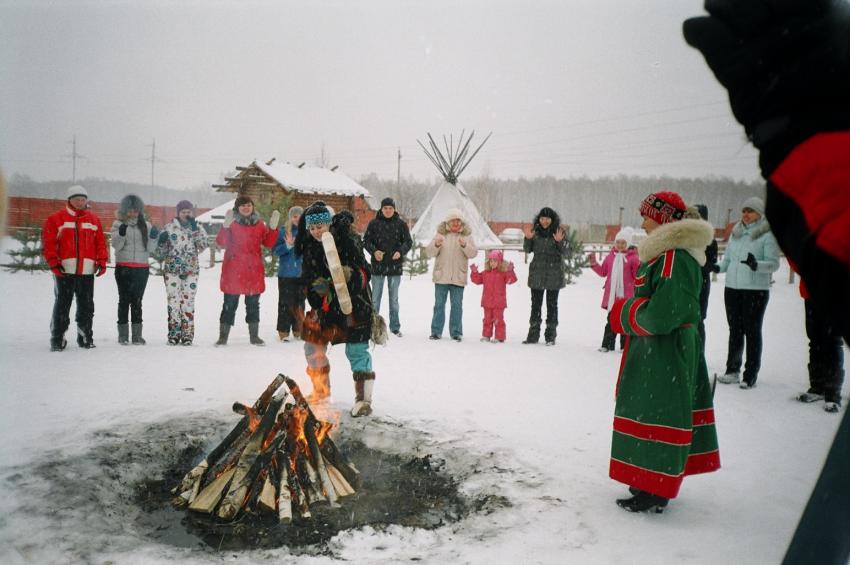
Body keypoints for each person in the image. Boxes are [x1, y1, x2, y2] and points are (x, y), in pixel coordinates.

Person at [607, 190, 720, 513]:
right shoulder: (665, 254)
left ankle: (656, 487)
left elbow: (665, 312)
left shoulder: (674, 257)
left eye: (646, 215)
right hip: (655, 349)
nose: (642, 222)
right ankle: (645, 479)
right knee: (649, 408)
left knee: (660, 411)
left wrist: (624, 313)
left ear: (662, 218)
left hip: (665, 349)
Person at [295, 202, 376, 417]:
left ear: (329, 224)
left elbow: (365, 271)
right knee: (313, 347)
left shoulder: (348, 240)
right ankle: (320, 392)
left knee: (357, 351)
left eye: (320, 226)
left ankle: (363, 400)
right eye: (312, 228)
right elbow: (307, 281)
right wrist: (316, 289)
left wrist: (349, 276)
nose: (315, 232)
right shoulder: (309, 249)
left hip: (354, 306)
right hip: (325, 308)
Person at [715, 197, 780, 389]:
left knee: (752, 332)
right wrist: (717, 268)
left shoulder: (767, 235)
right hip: (732, 289)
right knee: (735, 331)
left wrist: (756, 265)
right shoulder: (736, 233)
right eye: (744, 210)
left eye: (750, 211)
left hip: (755, 291)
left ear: (759, 214)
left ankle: (750, 374)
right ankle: (732, 370)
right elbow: (727, 260)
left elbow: (774, 264)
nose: (746, 214)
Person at [42, 185, 108, 350]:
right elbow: (49, 244)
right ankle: (58, 338)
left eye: (83, 199)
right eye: (77, 199)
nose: (80, 202)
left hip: (86, 272)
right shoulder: (56, 219)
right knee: (62, 305)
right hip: (65, 271)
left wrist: (101, 261)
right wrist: (54, 263)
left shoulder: (93, 220)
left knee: (86, 306)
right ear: (69, 200)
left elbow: (100, 243)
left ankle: (85, 336)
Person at [214, 195, 279, 346]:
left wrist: (273, 230)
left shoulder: (260, 225)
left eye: (249, 205)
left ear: (252, 207)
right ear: (237, 208)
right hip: (233, 272)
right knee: (229, 305)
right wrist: (224, 227)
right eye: (243, 205)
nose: (246, 207)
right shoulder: (232, 224)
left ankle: (254, 336)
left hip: (253, 271)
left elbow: (268, 243)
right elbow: (221, 242)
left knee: (253, 305)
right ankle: (223, 337)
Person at [155, 200, 208, 345]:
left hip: (191, 271)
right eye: (183, 211)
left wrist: (195, 230)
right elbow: (161, 252)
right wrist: (161, 241)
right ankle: (173, 334)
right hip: (172, 271)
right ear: (178, 213)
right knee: (173, 302)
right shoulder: (169, 227)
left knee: (188, 303)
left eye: (188, 211)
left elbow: (203, 246)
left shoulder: (197, 227)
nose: (186, 214)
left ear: (192, 213)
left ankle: (187, 335)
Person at [110, 194, 158, 345]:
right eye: (130, 211)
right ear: (125, 211)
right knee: (124, 301)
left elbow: (151, 249)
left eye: (136, 211)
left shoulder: (147, 226)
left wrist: (154, 237)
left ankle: (137, 336)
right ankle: (123, 336)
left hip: (141, 269)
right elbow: (116, 246)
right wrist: (121, 234)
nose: (133, 213)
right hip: (123, 267)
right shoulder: (118, 224)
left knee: (137, 302)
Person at [425, 208, 478, 341]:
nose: (455, 223)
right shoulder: (440, 234)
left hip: (458, 277)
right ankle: (436, 331)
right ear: (448, 222)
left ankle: (456, 332)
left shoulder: (466, 236)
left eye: (458, 221)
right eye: (453, 220)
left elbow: (473, 253)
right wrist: (436, 244)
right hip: (441, 276)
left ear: (461, 223)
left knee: (457, 306)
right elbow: (429, 252)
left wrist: (465, 245)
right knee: (439, 305)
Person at [363, 197, 413, 337]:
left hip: (394, 268)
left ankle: (395, 327)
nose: (388, 210)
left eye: (390, 208)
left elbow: (408, 242)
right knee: (375, 299)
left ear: (394, 209)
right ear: (381, 209)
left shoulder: (401, 224)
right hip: (378, 267)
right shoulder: (374, 224)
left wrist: (400, 252)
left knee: (394, 299)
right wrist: (374, 251)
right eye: (385, 208)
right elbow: (366, 241)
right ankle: (373, 326)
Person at [589, 227, 640, 352]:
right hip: (612, 296)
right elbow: (603, 272)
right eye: (618, 242)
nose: (620, 245)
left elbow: (637, 276)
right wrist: (594, 263)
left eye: (623, 243)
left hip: (627, 296)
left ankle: (625, 346)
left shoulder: (633, 258)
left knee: (625, 320)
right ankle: (607, 345)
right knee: (611, 320)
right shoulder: (610, 257)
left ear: (628, 244)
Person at [797, 282, 845, 413]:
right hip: (811, 291)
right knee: (815, 340)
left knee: (833, 341)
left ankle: (833, 394)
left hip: (836, 293)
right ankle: (817, 387)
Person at [522, 207, 567, 345]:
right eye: (542, 218)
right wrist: (528, 238)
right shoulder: (534, 232)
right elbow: (527, 249)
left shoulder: (559, 232)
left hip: (554, 275)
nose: (544, 221)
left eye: (547, 218)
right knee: (535, 305)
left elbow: (567, 252)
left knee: (552, 306)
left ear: (552, 219)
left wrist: (560, 242)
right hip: (537, 274)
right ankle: (533, 335)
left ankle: (550, 335)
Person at [272, 205, 306, 342]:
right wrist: (287, 246)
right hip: (286, 274)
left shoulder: (307, 232)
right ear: (290, 218)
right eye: (294, 216)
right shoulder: (283, 232)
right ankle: (283, 331)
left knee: (300, 303)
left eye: (300, 216)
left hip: (302, 274)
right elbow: (275, 251)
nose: (297, 219)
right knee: (285, 303)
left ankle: (298, 330)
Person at [469, 249, 517, 343]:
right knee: (487, 320)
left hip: (499, 303)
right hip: (487, 302)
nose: (493, 263)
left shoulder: (503, 274)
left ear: (500, 262)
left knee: (498, 320)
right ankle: (486, 335)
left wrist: (510, 271)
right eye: (491, 261)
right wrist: (474, 272)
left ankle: (499, 337)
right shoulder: (485, 273)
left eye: (495, 261)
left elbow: (511, 280)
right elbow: (477, 280)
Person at [692, 205, 719, 346]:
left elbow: (711, 264)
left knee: (699, 319)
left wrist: (697, 266)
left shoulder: (710, 240)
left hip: (701, 282)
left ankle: (699, 353)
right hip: (686, 282)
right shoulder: (686, 237)